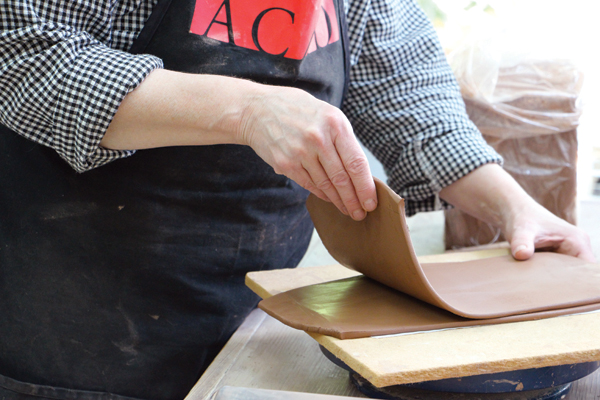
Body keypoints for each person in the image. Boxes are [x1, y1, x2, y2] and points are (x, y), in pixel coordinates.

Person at [0, 0, 594, 400]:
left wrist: (514, 207)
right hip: (81, 331)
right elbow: (24, 56)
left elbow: (414, 102)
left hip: (257, 317)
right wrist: (247, 108)